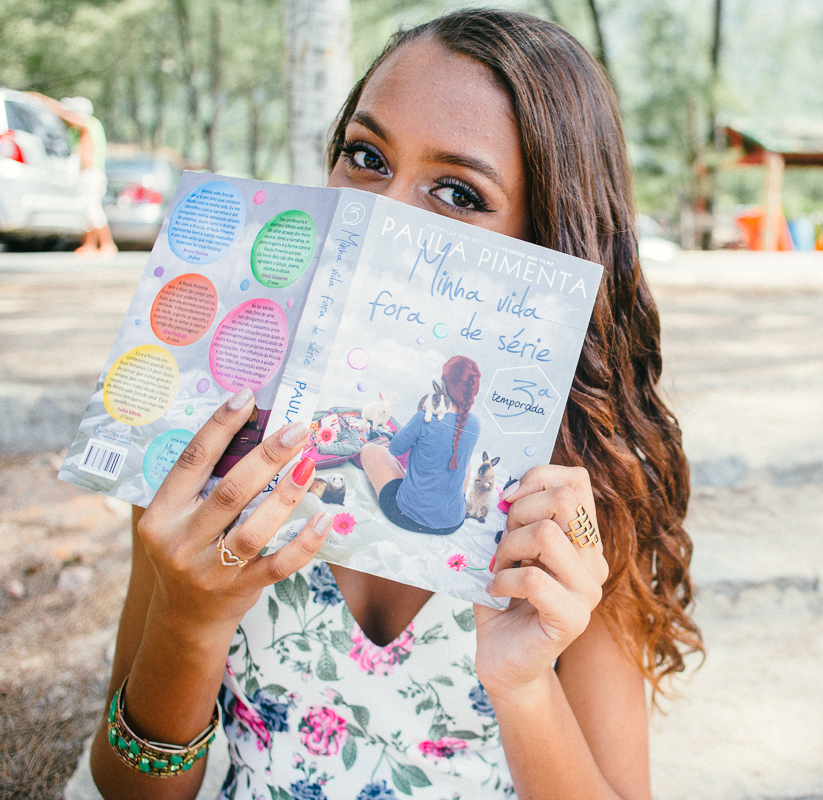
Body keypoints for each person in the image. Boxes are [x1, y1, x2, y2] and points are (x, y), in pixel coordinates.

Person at [89, 10, 700, 799]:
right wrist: (188, 623)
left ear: (548, 242)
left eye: (456, 192)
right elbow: (127, 788)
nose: (385, 212)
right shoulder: (216, 435)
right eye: (366, 156)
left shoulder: (579, 496)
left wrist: (522, 685)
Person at [360, 355, 482, 535]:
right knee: (465, 460)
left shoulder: (424, 418)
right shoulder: (474, 424)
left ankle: (410, 488)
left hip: (406, 515)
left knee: (369, 450)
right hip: (452, 522)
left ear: (442, 384)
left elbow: (395, 449)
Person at [28, 93, 117, 255]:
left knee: (93, 208)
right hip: (86, 174)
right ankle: (90, 245)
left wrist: (42, 100)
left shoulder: (89, 124)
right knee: (87, 210)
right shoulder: (80, 130)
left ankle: (107, 244)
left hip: (92, 173)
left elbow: (65, 114)